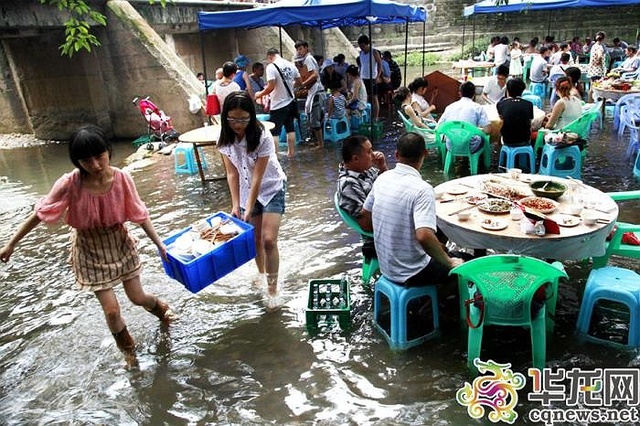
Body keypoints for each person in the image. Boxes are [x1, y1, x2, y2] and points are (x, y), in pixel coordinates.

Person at [0, 125, 175, 367]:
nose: (94, 165)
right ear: (77, 161)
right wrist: (11, 244)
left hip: (118, 241)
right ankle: (129, 353)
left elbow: (140, 213)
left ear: (108, 152)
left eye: (99, 157)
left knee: (137, 297)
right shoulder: (70, 183)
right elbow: (40, 214)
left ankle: (162, 312)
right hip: (88, 248)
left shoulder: (122, 178)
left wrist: (160, 244)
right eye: (86, 160)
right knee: (112, 311)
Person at [360, 132, 464, 287]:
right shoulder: (423, 189)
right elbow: (423, 236)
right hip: (411, 272)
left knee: (439, 240)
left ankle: (432, 298)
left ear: (396, 154)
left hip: (385, 267)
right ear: (425, 154)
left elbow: (364, 217)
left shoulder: (382, 178)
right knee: (466, 260)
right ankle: (439, 305)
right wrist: (449, 261)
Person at [217, 91, 287, 310]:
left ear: (252, 116)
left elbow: (258, 176)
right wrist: (236, 205)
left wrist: (248, 207)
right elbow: (232, 174)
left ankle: (273, 289)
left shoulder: (263, 135)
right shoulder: (225, 139)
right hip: (247, 191)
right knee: (255, 240)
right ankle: (261, 273)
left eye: (244, 119)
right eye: (233, 119)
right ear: (225, 117)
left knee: (268, 240)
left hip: (271, 187)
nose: (238, 124)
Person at [337, 135, 387, 258]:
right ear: (355, 159)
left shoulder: (365, 170)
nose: (374, 154)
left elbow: (389, 185)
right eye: (369, 152)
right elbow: (367, 224)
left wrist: (382, 167)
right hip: (379, 234)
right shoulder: (349, 184)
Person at [255, 48, 301, 157]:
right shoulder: (291, 65)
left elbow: (271, 87)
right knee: (290, 129)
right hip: (290, 101)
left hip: (278, 104)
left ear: (270, 57)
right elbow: (299, 82)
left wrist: (259, 94)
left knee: (274, 131)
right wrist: (290, 87)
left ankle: (274, 156)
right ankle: (291, 153)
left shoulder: (271, 67)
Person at [438, 81, 490, 154]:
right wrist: (476, 131)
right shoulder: (478, 107)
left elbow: (439, 127)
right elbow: (488, 130)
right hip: (471, 146)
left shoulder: (450, 107)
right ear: (474, 94)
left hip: (451, 145)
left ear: (460, 93)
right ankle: (481, 163)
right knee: (484, 139)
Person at [294, 40, 326, 148]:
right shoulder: (305, 60)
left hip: (317, 92)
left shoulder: (308, 59)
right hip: (312, 92)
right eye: (298, 49)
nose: (299, 51)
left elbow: (314, 75)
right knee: (312, 118)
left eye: (301, 48)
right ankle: (317, 141)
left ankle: (321, 144)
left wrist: (303, 84)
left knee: (314, 120)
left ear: (306, 48)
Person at [497, 78, 534, 147]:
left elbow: (502, 121)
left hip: (507, 140)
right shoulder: (529, 104)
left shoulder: (500, 104)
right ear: (522, 91)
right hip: (525, 140)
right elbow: (529, 122)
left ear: (507, 90)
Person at [357, 35, 383, 121]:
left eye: (363, 46)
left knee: (374, 97)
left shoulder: (374, 52)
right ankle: (367, 116)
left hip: (372, 77)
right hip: (363, 77)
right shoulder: (361, 53)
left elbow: (379, 64)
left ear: (367, 44)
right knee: (365, 97)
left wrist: (378, 76)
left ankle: (375, 117)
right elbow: (361, 65)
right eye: (360, 46)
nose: (362, 48)